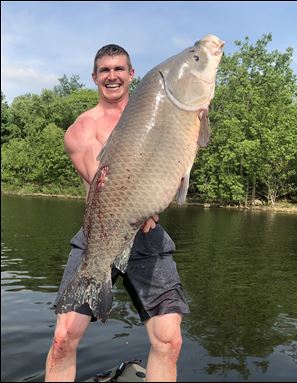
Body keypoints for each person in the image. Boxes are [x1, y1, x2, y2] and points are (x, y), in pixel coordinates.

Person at [45, 44, 190, 382]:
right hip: (100, 231)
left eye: (119, 69)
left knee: (170, 340)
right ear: (95, 77)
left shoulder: (158, 109)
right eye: (105, 70)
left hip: (149, 233)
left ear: (131, 74)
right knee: (63, 338)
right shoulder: (80, 131)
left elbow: (181, 148)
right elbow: (104, 190)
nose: (112, 76)